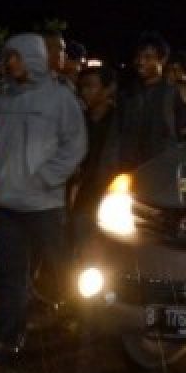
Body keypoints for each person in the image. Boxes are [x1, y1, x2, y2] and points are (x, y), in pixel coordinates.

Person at [0, 33, 87, 362]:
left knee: (60, 266)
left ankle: (79, 320)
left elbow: (75, 145)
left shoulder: (60, 98)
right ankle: (9, 336)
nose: (8, 62)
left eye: (14, 56)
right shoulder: (0, 99)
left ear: (31, 56)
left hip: (44, 205)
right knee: (10, 273)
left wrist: (47, 178)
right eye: (7, 56)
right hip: (5, 204)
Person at [100, 31, 186, 175]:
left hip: (164, 172)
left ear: (162, 60)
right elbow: (114, 139)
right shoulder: (126, 97)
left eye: (148, 57)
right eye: (138, 57)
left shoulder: (176, 95)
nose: (140, 62)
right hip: (129, 174)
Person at [69, 65, 117, 248]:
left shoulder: (121, 122)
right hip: (83, 198)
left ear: (108, 89)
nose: (84, 92)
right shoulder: (78, 122)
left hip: (110, 196)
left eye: (90, 86)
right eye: (82, 87)